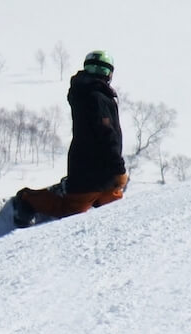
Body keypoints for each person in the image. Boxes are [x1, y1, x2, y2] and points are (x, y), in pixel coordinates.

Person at [11, 49, 128, 228]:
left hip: (102, 169)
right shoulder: (95, 97)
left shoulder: (89, 93)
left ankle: (82, 194)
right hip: (90, 170)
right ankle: (28, 200)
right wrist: (119, 169)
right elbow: (106, 135)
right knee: (72, 209)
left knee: (113, 204)